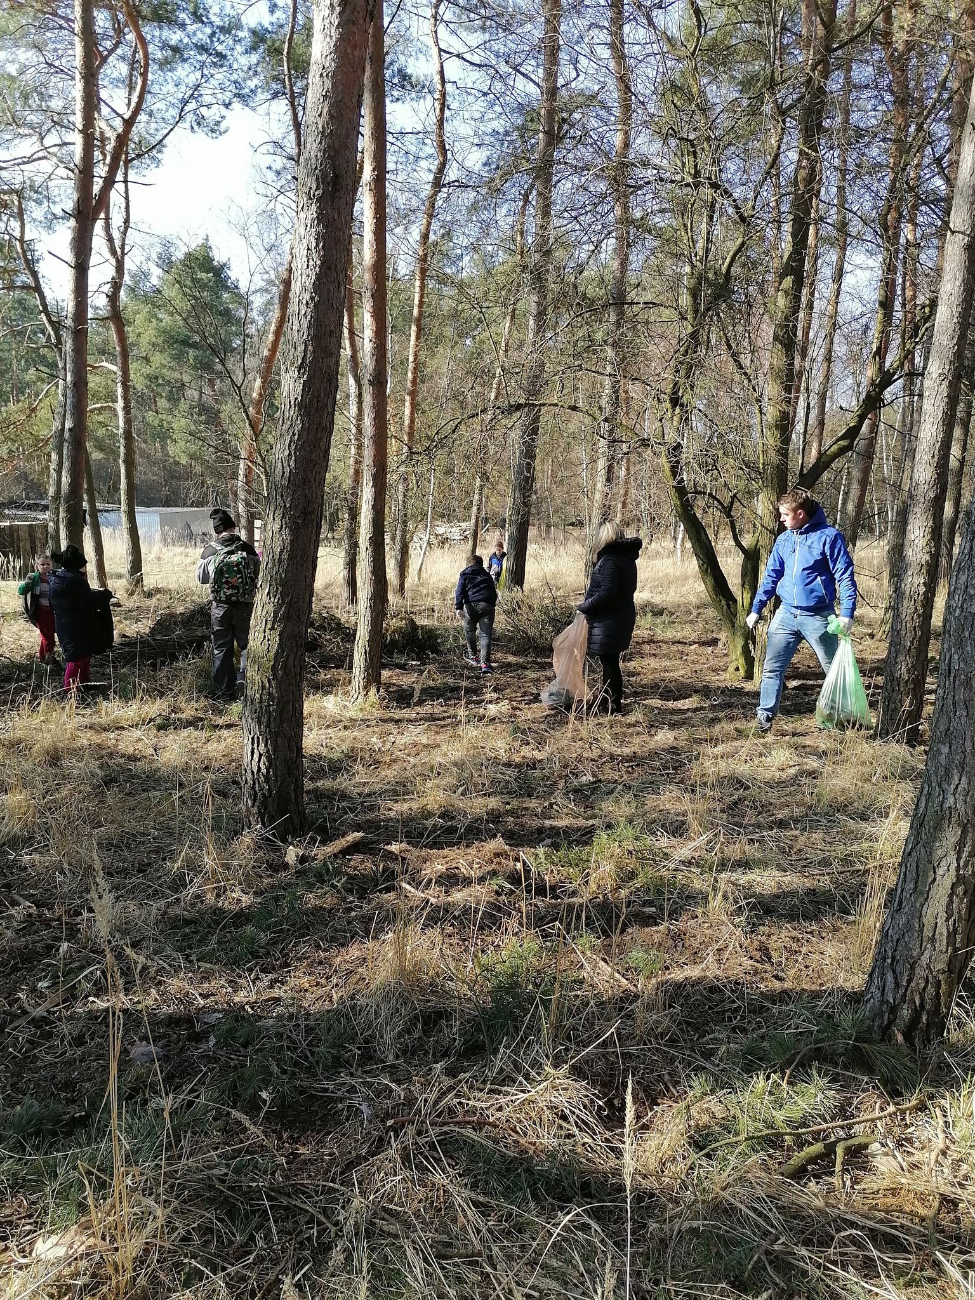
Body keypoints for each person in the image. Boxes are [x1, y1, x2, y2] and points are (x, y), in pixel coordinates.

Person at [746, 488, 857, 734]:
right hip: (785, 615)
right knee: (772, 668)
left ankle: (835, 720)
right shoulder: (784, 539)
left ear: (800, 513)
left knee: (833, 670)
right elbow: (771, 576)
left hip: (819, 616)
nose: (781, 519)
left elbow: (846, 577)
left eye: (785, 515)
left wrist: (847, 613)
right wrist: (757, 608)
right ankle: (764, 717)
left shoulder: (829, 537)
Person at [578, 521, 642, 714]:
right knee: (610, 661)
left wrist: (584, 607)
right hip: (620, 616)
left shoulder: (610, 560)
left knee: (609, 662)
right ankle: (609, 703)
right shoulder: (626, 558)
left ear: (604, 536)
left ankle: (612, 706)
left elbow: (607, 593)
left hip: (610, 620)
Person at [196, 508, 260, 700]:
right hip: (245, 605)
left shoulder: (209, 550)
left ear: (217, 530)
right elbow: (257, 573)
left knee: (222, 647)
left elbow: (201, 578)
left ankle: (224, 691)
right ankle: (245, 681)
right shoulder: (248, 549)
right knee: (246, 644)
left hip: (220, 607)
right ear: (233, 527)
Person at [48, 545, 115, 691]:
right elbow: (87, 602)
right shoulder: (76, 581)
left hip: (65, 624)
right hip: (76, 626)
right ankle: (69, 690)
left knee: (83, 654)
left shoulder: (57, 579)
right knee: (75, 659)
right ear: (78, 565)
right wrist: (104, 596)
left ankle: (83, 684)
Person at [455, 553, 497, 674]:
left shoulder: (465, 574)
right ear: (481, 564)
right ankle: (485, 664)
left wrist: (458, 607)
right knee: (485, 635)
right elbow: (493, 592)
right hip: (487, 604)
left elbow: (459, 591)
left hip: (470, 605)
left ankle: (473, 656)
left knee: (470, 630)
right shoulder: (487, 575)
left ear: (469, 564)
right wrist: (491, 604)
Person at [18, 554, 57, 663]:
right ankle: (49, 656)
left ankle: (42, 657)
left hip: (54, 610)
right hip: (41, 611)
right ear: (37, 566)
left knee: (48, 633)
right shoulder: (34, 578)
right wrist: (27, 584)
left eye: (48, 564)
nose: (45, 567)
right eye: (42, 564)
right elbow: (21, 591)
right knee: (47, 636)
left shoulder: (55, 576)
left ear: (52, 565)